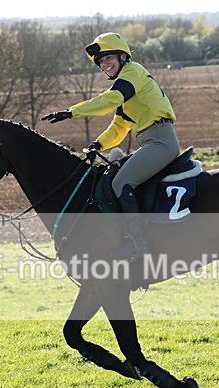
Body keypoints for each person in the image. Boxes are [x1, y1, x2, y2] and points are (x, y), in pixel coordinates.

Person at [41, 32, 180, 260]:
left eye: (108, 58)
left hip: (160, 142)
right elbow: (119, 127)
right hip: (151, 142)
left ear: (123, 56)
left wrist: (71, 112)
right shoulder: (127, 85)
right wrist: (98, 144)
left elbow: (110, 100)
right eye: (101, 62)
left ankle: (139, 244)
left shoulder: (132, 73)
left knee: (121, 182)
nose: (104, 64)